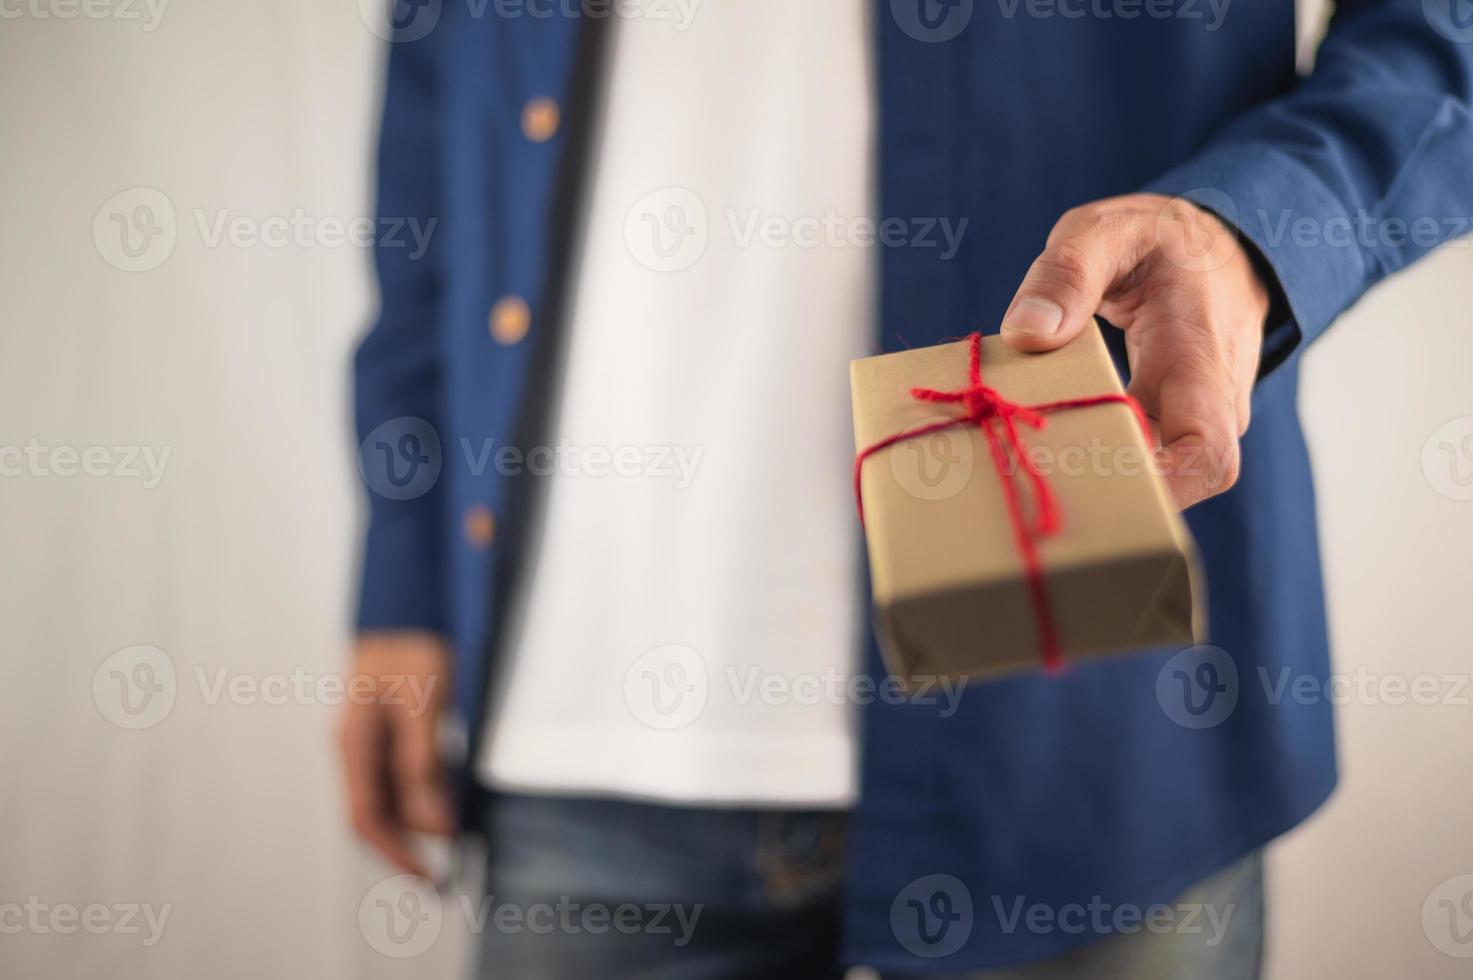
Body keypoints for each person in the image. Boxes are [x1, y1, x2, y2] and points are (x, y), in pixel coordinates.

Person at [339, 1, 1473, 976]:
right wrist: (408, 573)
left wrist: (1251, 231)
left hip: (1099, 730)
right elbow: (436, 126)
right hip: (580, 707)